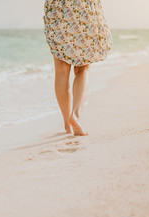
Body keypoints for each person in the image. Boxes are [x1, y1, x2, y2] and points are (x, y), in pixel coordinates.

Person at [43, 0, 112, 136]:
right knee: (83, 69)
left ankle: (67, 125)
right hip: (84, 8)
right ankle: (75, 115)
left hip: (59, 9)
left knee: (61, 71)